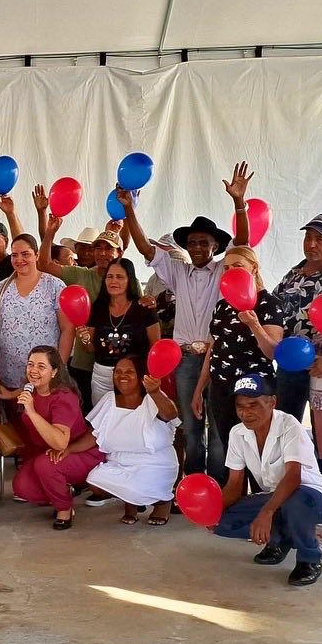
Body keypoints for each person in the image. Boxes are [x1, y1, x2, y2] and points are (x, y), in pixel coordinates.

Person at [118, 163, 253, 476]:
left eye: (204, 242)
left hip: (218, 356)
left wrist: (239, 202)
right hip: (185, 359)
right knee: (189, 426)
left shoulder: (224, 270)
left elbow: (244, 243)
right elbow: (144, 247)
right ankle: (192, 482)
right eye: (192, 242)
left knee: (219, 427)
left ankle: (219, 486)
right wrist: (129, 210)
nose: (197, 247)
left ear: (216, 246)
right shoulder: (178, 271)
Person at [213, 374, 322, 586]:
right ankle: (280, 540)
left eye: (253, 405)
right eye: (240, 406)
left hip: (310, 497)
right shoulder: (237, 433)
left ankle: (309, 559)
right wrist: (212, 512)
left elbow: (293, 477)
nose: (245, 412)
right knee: (223, 522)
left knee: (296, 503)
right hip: (276, 497)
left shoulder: (290, 426)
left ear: (272, 402)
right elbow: (234, 484)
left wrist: (266, 513)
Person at [195, 245, 286, 482]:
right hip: (221, 388)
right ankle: (236, 494)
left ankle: (261, 496)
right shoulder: (222, 305)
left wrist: (254, 325)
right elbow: (213, 347)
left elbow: (273, 352)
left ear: (253, 269)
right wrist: (200, 388)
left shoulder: (269, 303)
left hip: (254, 390)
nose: (231, 272)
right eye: (226, 268)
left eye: (237, 266)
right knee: (231, 447)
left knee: (258, 447)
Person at [38, 187, 126, 403]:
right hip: (83, 361)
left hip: (120, 362)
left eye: (108, 249)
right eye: (98, 248)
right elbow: (44, 264)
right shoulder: (80, 274)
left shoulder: (127, 280)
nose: (102, 253)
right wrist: (50, 232)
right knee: (85, 411)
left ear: (119, 253)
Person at [4, 346, 101, 530]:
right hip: (47, 452)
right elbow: (17, 395)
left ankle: (64, 509)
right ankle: (66, 490)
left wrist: (31, 412)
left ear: (54, 372)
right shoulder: (31, 391)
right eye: (30, 364)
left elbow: (60, 442)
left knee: (44, 465)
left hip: (77, 452)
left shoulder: (64, 397)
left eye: (41, 367)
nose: (33, 370)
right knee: (22, 487)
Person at [78, 356, 179, 525]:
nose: (122, 375)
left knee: (138, 489)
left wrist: (155, 392)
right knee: (95, 482)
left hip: (154, 464)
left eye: (129, 371)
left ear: (141, 376)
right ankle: (130, 502)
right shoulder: (109, 399)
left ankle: (162, 502)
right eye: (118, 371)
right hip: (119, 463)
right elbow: (94, 434)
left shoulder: (152, 397)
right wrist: (67, 449)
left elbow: (171, 414)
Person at [272, 214, 322, 422]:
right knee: (285, 423)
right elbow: (273, 307)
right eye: (308, 237)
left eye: (320, 239)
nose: (311, 244)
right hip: (291, 363)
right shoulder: (293, 274)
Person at [0, 234, 72, 389]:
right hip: (9, 376)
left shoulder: (55, 286)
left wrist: (58, 369)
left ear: (37, 255)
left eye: (25, 254)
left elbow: (68, 329)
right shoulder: (1, 288)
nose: (19, 259)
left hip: (45, 379)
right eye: (14, 255)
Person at [83, 257, 158, 406]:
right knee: (102, 417)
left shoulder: (144, 309)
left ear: (129, 280)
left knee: (132, 416)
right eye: (110, 276)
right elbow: (90, 349)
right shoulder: (97, 309)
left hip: (134, 376)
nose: (113, 281)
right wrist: (85, 339)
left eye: (119, 277)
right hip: (102, 376)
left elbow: (155, 347)